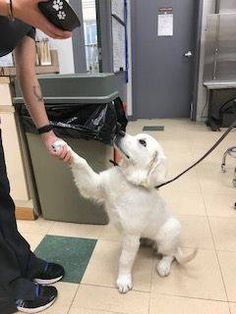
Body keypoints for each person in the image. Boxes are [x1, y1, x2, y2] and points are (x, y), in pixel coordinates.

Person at [0, 0, 73, 312]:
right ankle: (4, 286)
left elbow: (28, 75)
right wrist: (13, 8)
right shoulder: (19, 7)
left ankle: (20, 261)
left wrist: (47, 132)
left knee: (2, 195)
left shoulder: (30, 13)